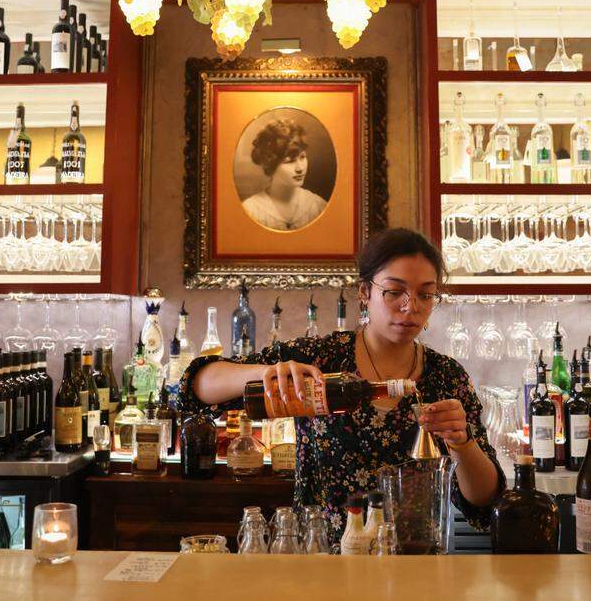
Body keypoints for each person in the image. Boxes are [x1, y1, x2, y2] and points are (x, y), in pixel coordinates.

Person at [179, 228, 504, 544]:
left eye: (425, 294)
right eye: (394, 291)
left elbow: (484, 501)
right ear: (365, 292)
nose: (411, 307)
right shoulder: (320, 359)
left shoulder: (445, 376)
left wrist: (462, 443)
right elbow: (195, 388)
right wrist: (270, 372)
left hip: (412, 561)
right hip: (322, 558)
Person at [240, 117, 328, 231]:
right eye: (289, 161)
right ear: (270, 163)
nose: (300, 168)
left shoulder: (317, 206)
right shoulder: (251, 210)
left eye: (302, 157)